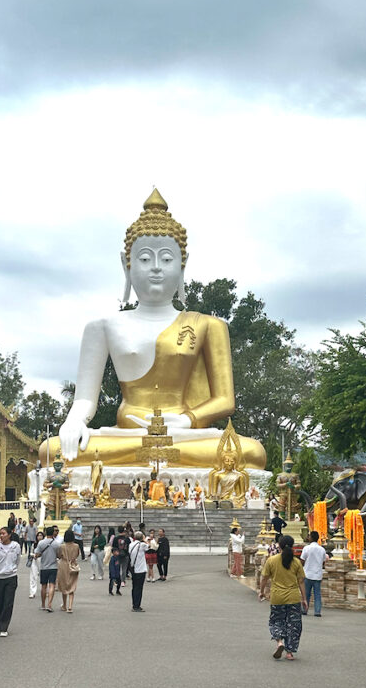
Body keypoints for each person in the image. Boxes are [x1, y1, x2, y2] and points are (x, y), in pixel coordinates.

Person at [41, 191, 266, 471]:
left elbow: (225, 400)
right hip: (128, 433)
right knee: (51, 450)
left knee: (252, 451)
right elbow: (85, 399)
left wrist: (187, 420)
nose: (156, 269)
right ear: (127, 264)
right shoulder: (103, 326)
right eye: (145, 259)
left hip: (183, 433)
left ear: (183, 265)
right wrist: (74, 422)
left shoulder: (208, 325)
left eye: (167, 260)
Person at [258, 535, 307, 660]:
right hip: (293, 597)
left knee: (276, 621)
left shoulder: (272, 560)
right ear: (292, 546)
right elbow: (301, 581)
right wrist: (304, 599)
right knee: (293, 625)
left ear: (278, 546)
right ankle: (289, 652)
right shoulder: (296, 562)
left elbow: (264, 578)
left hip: (277, 597)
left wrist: (261, 591)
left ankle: (279, 642)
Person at [0, 525, 20, 637]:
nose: (1, 535)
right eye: (0, 533)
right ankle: (0, 621)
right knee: (0, 603)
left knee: (8, 602)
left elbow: (17, 561)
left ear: (9, 535)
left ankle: (4, 626)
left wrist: (12, 569)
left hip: (11, 577)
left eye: (3, 533)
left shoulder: (15, 546)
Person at [300, 531, 329, 617]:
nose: (308, 537)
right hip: (317, 574)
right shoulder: (322, 549)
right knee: (317, 594)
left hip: (308, 573)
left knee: (306, 594)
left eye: (309, 536)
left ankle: (304, 610)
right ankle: (317, 611)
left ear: (311, 538)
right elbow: (324, 561)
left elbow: (302, 560)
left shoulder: (307, 548)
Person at [35, 526, 60, 612]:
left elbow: (37, 554)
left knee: (43, 586)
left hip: (44, 567)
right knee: (52, 585)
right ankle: (49, 604)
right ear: (53, 533)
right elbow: (59, 555)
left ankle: (43, 604)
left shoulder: (41, 543)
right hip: (53, 567)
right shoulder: (56, 543)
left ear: (45, 533)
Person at [57, 527, 81, 613]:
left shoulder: (62, 546)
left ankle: (64, 605)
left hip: (64, 565)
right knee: (72, 585)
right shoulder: (76, 546)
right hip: (73, 565)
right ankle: (70, 606)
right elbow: (78, 554)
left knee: (64, 585)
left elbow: (59, 555)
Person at [128, 531, 148, 612]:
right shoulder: (142, 545)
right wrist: (144, 539)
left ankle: (134, 604)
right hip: (140, 569)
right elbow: (149, 547)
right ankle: (137, 605)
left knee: (134, 587)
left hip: (133, 568)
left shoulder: (131, 544)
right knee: (139, 588)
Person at [28, 530, 44, 600]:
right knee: (33, 576)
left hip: (42, 561)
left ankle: (44, 591)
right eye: (38, 535)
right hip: (34, 561)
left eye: (41, 535)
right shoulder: (34, 544)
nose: (39, 537)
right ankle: (32, 592)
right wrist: (34, 555)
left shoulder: (44, 544)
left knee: (43, 577)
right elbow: (31, 552)